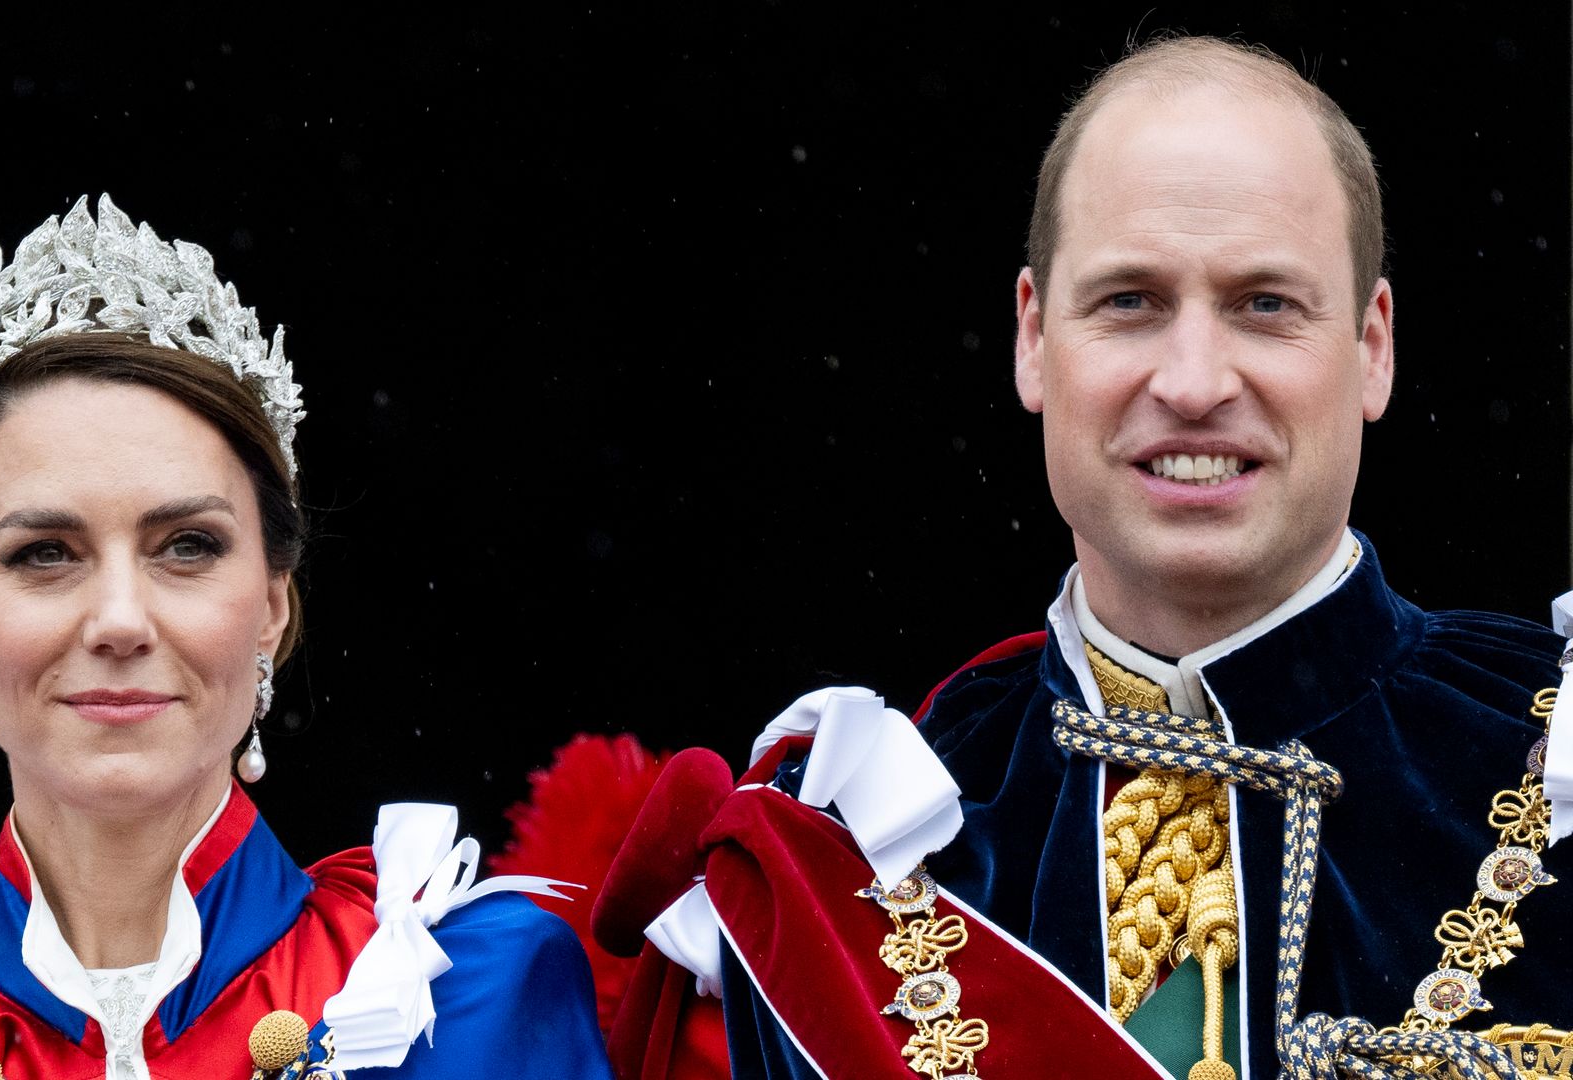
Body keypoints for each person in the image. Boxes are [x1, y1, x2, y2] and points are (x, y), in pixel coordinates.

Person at [587, 35, 1569, 1080]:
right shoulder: (838, 859)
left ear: (1372, 347)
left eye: (1264, 304)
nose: (1193, 383)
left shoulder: (1557, 758)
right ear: (1034, 339)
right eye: (1130, 302)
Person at [0, 195, 615, 1080]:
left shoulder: (454, 990)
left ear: (273, 603)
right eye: (44, 553)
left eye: (187, 546)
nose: (118, 620)